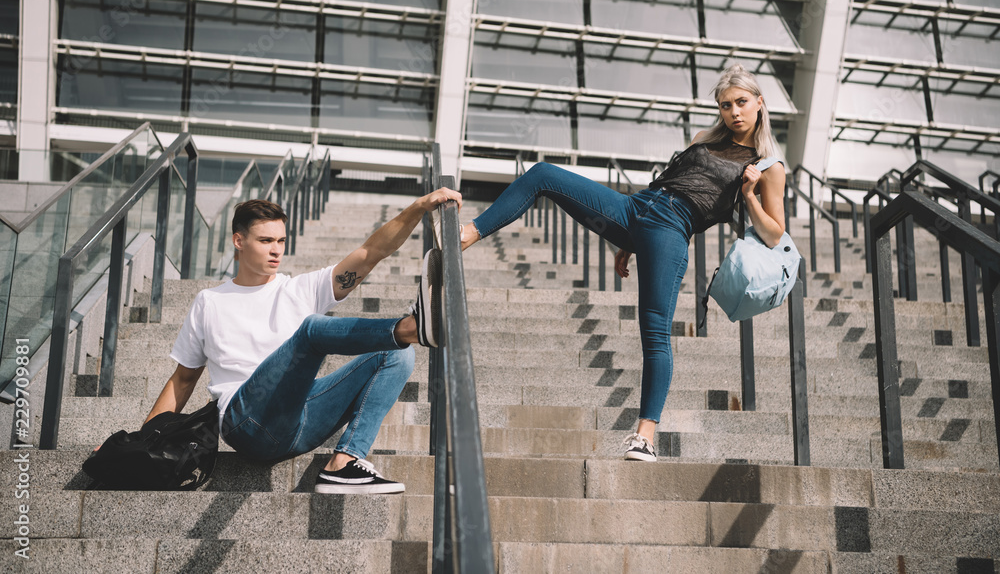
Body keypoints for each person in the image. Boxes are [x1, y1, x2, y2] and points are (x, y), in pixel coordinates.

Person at [456, 62, 786, 462]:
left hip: (671, 231)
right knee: (543, 174)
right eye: (725, 105)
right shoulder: (702, 139)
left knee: (654, 333)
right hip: (635, 210)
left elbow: (774, 234)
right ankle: (470, 233)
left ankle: (645, 436)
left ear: (759, 103)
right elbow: (667, 182)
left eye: (741, 103)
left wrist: (749, 195)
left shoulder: (768, 167)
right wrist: (627, 242)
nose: (733, 112)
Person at [144, 187, 461, 493]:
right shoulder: (209, 302)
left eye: (281, 240)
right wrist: (144, 442)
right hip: (246, 422)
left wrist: (418, 207)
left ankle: (345, 462)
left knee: (396, 354)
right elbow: (182, 381)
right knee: (311, 331)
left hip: (301, 422)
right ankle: (410, 328)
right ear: (238, 241)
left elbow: (371, 253)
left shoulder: (299, 290)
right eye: (266, 240)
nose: (276, 250)